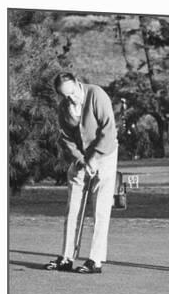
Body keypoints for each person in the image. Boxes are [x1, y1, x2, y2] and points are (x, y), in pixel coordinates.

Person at [45, 72, 118, 274]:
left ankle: (95, 260)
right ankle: (66, 257)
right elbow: (66, 138)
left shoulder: (96, 94)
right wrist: (80, 160)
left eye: (72, 93)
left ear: (78, 84)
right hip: (81, 158)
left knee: (100, 209)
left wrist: (94, 159)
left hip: (105, 153)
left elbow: (108, 130)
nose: (71, 98)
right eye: (65, 96)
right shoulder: (63, 107)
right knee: (73, 207)